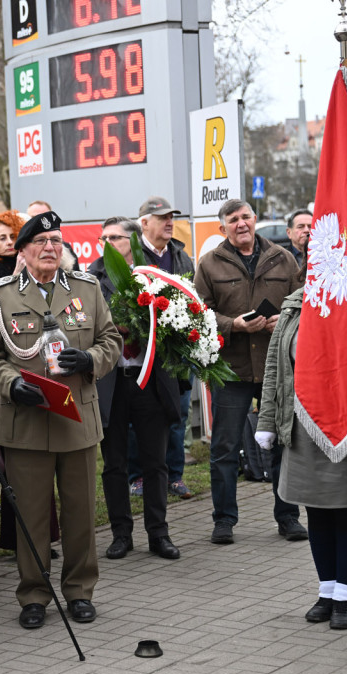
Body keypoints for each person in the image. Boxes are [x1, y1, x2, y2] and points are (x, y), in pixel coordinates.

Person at [0, 210, 121, 629]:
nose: (49, 247)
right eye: (40, 242)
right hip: (27, 421)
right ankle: (34, 595)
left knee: (80, 514)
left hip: (76, 419)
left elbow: (111, 339)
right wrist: (10, 384)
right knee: (32, 517)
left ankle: (79, 591)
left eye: (56, 240)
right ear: (22, 251)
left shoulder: (86, 288)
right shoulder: (0, 295)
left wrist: (90, 359)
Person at [255, 289, 347, 630]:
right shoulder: (293, 305)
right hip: (302, 425)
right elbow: (275, 368)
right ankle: (328, 591)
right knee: (315, 509)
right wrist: (267, 421)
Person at [194, 198, 307, 545]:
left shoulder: (282, 258)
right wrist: (234, 325)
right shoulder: (209, 264)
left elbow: (303, 303)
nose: (241, 223)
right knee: (225, 448)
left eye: (245, 217)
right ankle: (224, 520)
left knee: (284, 442)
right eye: (233, 219)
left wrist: (285, 319)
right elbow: (199, 313)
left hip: (276, 368)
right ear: (222, 227)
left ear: (255, 219)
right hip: (232, 370)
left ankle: (288, 517)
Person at [90, 217, 182, 560]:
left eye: (115, 237)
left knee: (155, 463)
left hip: (149, 382)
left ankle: (159, 534)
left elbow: (174, 321)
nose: (108, 243)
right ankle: (121, 534)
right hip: (111, 382)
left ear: (133, 240)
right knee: (114, 464)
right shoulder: (91, 278)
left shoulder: (155, 274)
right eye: (103, 237)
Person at [137, 196, 197, 497]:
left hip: (177, 352)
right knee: (140, 418)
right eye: (162, 218)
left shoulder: (181, 256)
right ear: (144, 223)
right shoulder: (132, 255)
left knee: (178, 412)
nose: (170, 222)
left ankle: (175, 476)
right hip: (142, 352)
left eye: (171, 217)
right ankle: (138, 477)